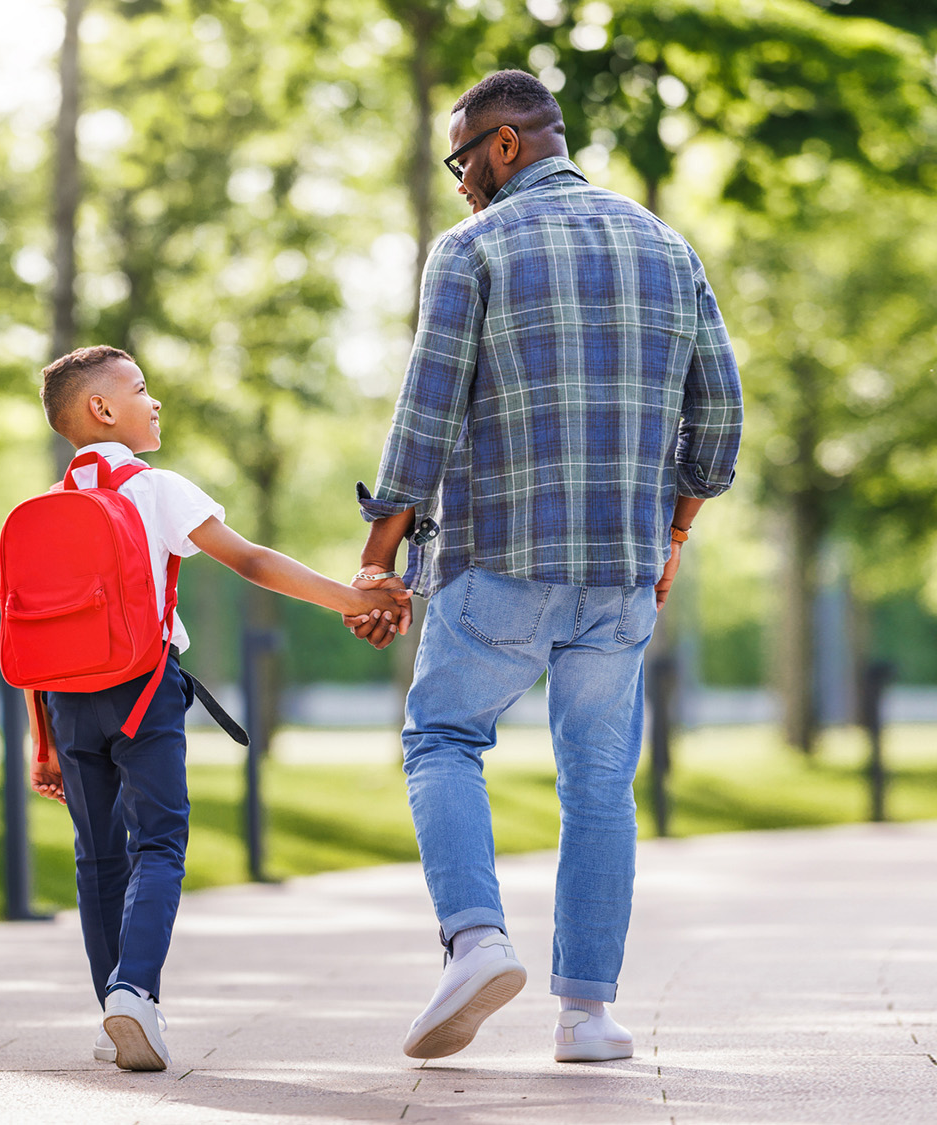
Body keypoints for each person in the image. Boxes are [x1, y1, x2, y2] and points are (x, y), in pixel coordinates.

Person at [347, 70, 743, 1063]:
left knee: (441, 735)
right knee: (601, 787)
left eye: (461, 159)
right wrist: (673, 534)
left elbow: (425, 416)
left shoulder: (473, 248)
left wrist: (374, 561)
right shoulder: (664, 243)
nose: (460, 182)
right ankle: (587, 1017)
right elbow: (721, 417)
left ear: (506, 144)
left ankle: (476, 939)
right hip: (619, 569)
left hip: (501, 559)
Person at [26, 345, 409, 1072]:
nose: (155, 400)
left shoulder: (48, 507)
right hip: (143, 694)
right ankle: (134, 991)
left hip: (68, 704)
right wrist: (354, 598)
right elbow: (253, 560)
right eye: (140, 389)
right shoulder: (158, 487)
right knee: (160, 843)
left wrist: (40, 740)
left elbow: (30, 631)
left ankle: (114, 998)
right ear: (102, 409)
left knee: (98, 855)